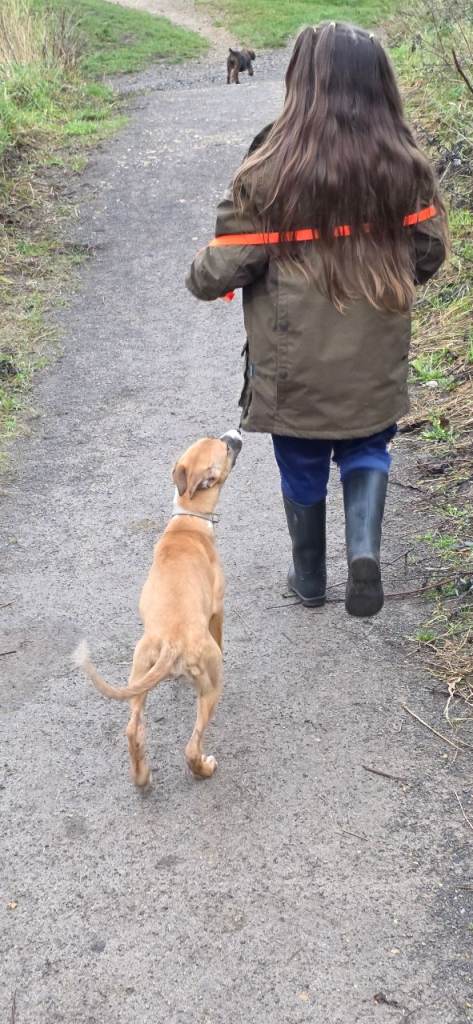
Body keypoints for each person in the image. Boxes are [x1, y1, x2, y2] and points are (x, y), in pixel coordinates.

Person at [186, 22, 447, 617]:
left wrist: (204, 270)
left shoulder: (268, 169)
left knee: (301, 462)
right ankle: (364, 551)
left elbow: (222, 269)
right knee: (367, 449)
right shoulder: (405, 166)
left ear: (300, 83)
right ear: (381, 85)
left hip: (292, 367)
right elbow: (427, 253)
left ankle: (308, 579)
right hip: (373, 362)